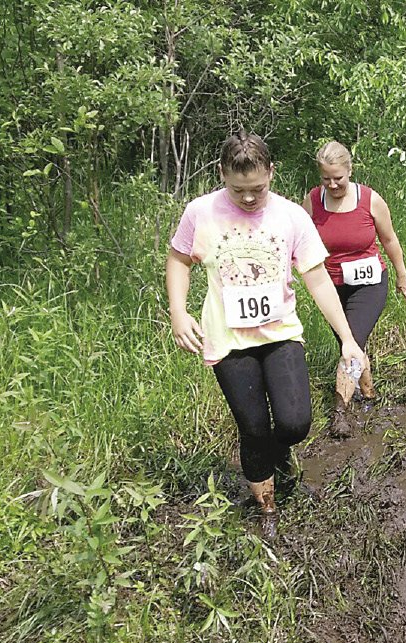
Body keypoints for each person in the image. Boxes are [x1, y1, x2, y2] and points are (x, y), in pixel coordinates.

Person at [166, 131, 368, 537]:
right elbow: (178, 259)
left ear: (271, 173)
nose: (247, 198)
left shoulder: (291, 216)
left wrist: (347, 338)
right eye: (238, 189)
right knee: (253, 428)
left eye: (257, 189)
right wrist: (178, 311)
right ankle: (268, 509)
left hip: (280, 334)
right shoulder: (200, 212)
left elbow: (317, 279)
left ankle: (277, 460)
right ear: (222, 174)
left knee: (295, 424)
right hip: (228, 341)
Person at [301, 141, 406, 439]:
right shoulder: (312, 201)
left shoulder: (371, 200)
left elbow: (389, 240)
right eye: (326, 179)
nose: (333, 184)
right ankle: (369, 392)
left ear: (350, 170)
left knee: (353, 341)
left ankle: (341, 410)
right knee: (351, 344)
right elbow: (301, 242)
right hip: (331, 286)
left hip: (370, 283)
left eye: (339, 177)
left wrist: (402, 275)